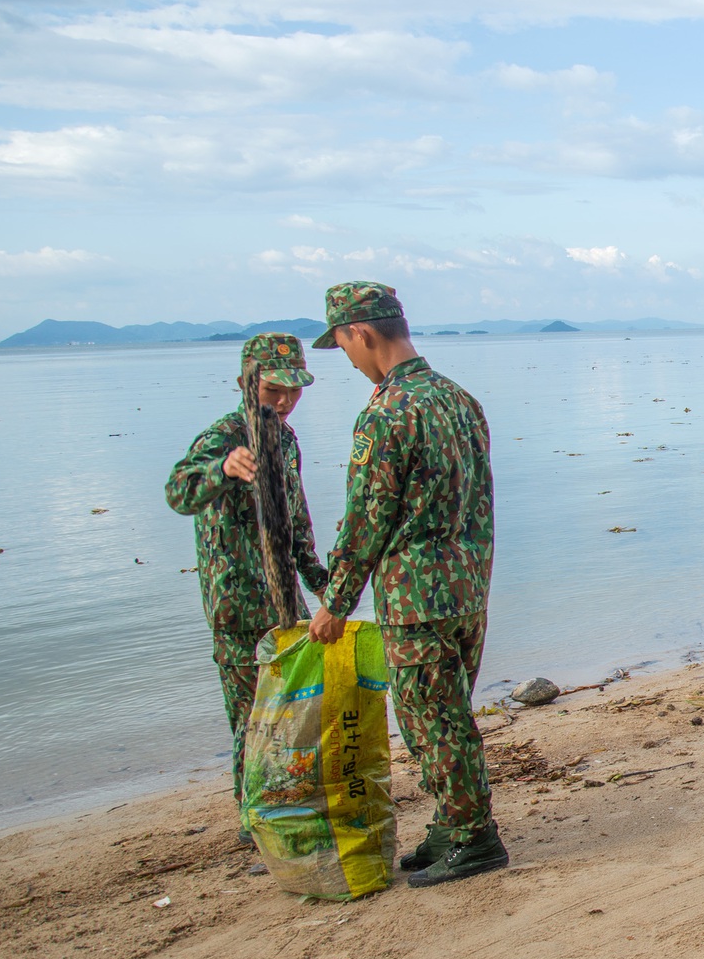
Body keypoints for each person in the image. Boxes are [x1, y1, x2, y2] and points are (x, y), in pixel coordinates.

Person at [305, 282, 501, 887]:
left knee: (429, 720)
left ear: (360, 333)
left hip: (417, 596)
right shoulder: (459, 399)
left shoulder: (388, 412)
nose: (349, 361)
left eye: (343, 347)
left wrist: (335, 603)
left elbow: (367, 515)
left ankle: (474, 838)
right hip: (467, 588)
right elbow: (480, 499)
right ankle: (451, 824)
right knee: (447, 713)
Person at [165, 334, 330, 832]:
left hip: (285, 603)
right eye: (273, 390)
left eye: (294, 391)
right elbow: (179, 491)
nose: (283, 402)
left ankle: (293, 805)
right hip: (235, 606)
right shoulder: (222, 435)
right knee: (251, 721)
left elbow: (295, 518)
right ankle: (255, 819)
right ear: (246, 383)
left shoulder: (286, 438)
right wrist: (222, 468)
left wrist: (322, 580)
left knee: (296, 713)